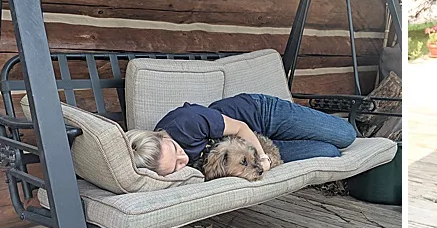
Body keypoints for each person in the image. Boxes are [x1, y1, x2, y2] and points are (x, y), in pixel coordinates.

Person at [128, 93, 356, 176]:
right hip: (251, 147)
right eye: (176, 167)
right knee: (329, 152)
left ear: (161, 135)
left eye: (177, 151)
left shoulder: (187, 122)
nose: (184, 160)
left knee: (346, 135)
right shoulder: (163, 165)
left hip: (259, 116)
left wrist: (264, 158)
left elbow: (240, 129)